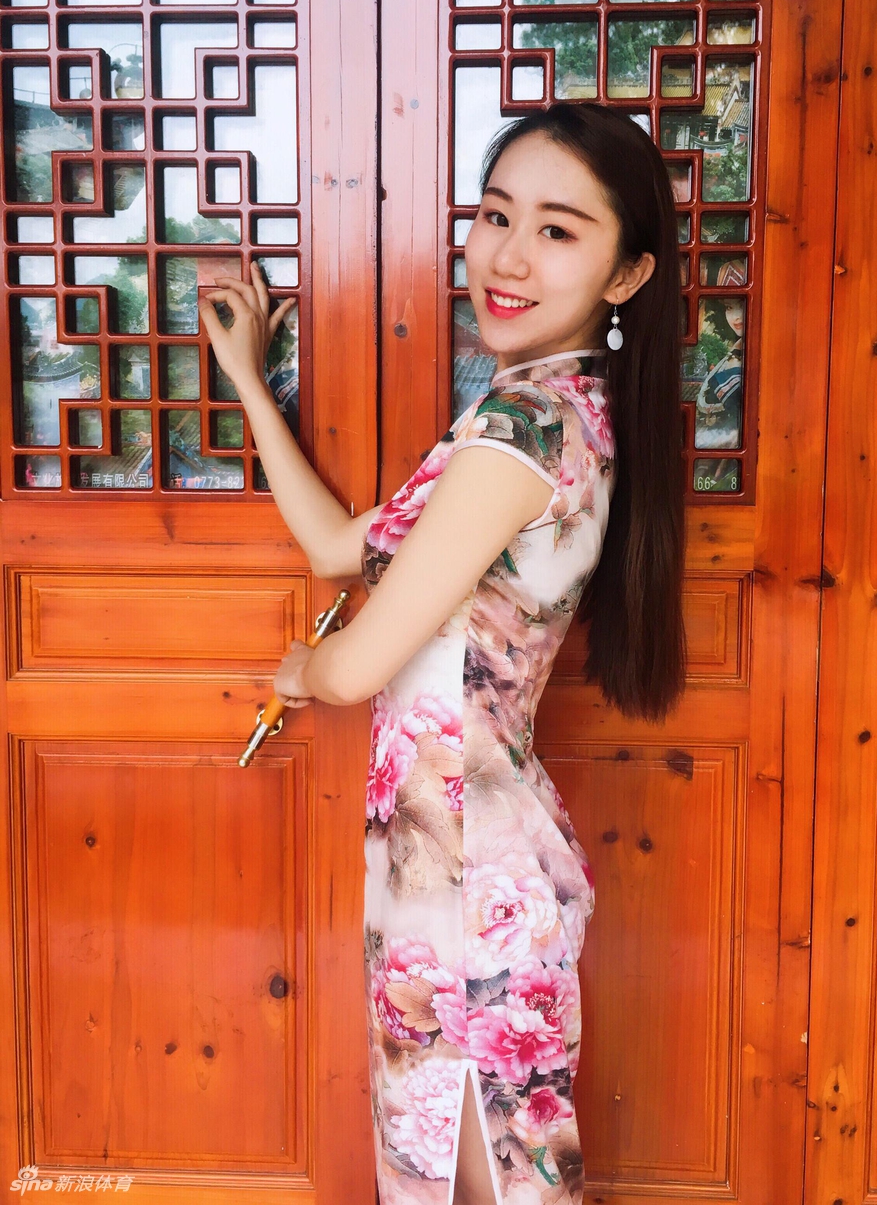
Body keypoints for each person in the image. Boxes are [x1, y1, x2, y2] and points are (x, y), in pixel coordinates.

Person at [198, 102, 686, 1205]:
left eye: (557, 231)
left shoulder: (523, 433)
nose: (507, 256)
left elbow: (354, 666)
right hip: (453, 868)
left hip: (468, 889)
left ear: (625, 274)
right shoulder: (536, 413)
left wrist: (303, 672)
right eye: (495, 215)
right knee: (480, 1184)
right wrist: (251, 383)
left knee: (479, 1189)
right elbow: (341, 549)